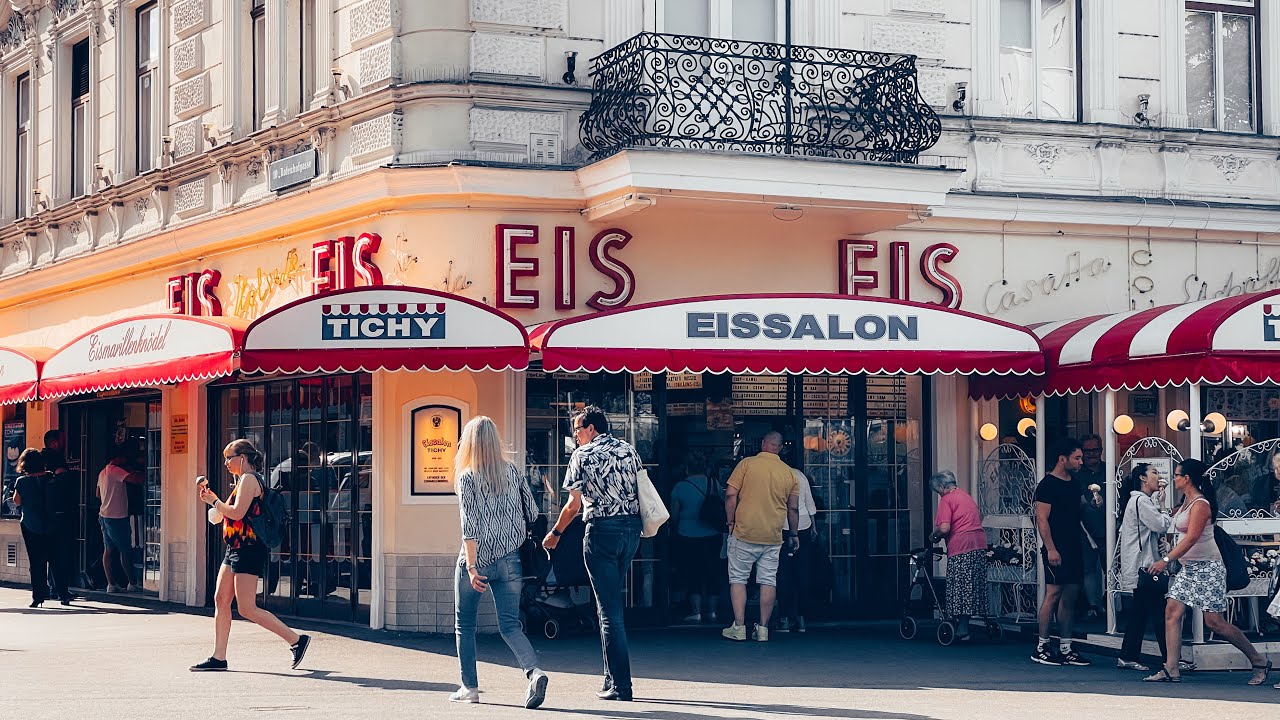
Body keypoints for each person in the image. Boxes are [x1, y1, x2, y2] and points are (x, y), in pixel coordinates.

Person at [542, 406, 642, 702]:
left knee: (609, 612)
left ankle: (621, 685)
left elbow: (573, 505)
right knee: (609, 605)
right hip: (631, 531)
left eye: (577, 429)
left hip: (601, 531)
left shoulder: (582, 456)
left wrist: (555, 533)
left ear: (591, 428)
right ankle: (611, 677)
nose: (575, 435)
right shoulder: (628, 450)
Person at [450, 417, 549, 709]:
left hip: (477, 560)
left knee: (464, 625)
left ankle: (469, 688)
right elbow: (532, 512)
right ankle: (534, 672)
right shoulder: (513, 471)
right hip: (510, 560)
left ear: (468, 443)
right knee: (509, 625)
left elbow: (470, 526)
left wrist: (470, 567)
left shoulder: (466, 477)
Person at [1144, 459, 1272, 685]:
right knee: (1172, 611)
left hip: (1208, 568)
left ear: (1187, 478)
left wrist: (1165, 559)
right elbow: (1175, 527)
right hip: (1190, 567)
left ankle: (1259, 660)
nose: (1173, 478)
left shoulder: (1200, 504)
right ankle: (1171, 668)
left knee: (1214, 622)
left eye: (1177, 475)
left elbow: (1192, 537)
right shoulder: (1186, 502)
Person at [191, 439, 310, 672]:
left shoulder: (249, 479)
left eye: (229, 457)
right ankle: (219, 657)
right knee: (221, 599)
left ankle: (296, 640)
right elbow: (226, 514)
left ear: (242, 458)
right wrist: (214, 504)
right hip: (235, 547)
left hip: (248, 548)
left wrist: (213, 500)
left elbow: (236, 513)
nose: (225, 462)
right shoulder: (241, 481)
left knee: (246, 608)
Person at [721, 432, 800, 643]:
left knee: (738, 578)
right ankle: (763, 628)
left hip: (744, 531)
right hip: (773, 534)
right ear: (780, 448)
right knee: (768, 580)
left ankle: (739, 627)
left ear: (763, 444)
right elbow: (793, 508)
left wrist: (730, 522)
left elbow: (730, 494)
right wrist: (793, 533)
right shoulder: (789, 473)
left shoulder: (747, 464)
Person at [1031, 437, 1090, 666]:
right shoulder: (1047, 485)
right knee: (1053, 593)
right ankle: (1042, 645)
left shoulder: (1074, 483)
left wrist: (1094, 503)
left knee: (1071, 595)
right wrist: (1051, 548)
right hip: (1056, 546)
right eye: (1076, 458)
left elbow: (1080, 507)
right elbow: (1042, 519)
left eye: (1081, 458)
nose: (1081, 462)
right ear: (1062, 459)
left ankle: (1066, 646)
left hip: (1074, 544)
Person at [1116, 463, 1173, 671]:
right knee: (1156, 614)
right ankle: (1168, 658)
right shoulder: (1140, 500)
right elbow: (1161, 524)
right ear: (1143, 478)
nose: (1159, 476)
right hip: (1145, 567)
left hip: (1143, 566)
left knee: (1146, 614)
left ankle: (1133, 656)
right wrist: (1165, 507)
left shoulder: (1141, 501)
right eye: (1154, 472)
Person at [667, 451, 724, 624]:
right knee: (713, 571)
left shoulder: (680, 487)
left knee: (693, 572)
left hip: (688, 535)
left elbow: (674, 515)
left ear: (686, 468)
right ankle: (712, 612)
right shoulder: (714, 483)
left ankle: (696, 612)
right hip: (713, 535)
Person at [929, 470, 986, 641]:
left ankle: (961, 627)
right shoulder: (965, 496)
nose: (938, 494)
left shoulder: (947, 499)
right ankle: (964, 626)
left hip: (961, 545)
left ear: (942, 486)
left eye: (937, 490)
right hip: (978, 543)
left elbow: (945, 527)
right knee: (971, 586)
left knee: (959, 587)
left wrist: (933, 536)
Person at [12, 449, 60, 608]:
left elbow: (17, 501)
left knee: (36, 561)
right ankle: (63, 592)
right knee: (55, 559)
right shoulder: (51, 478)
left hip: (30, 524)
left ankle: (38, 596)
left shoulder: (22, 481)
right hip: (51, 524)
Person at [777, 465, 817, 633]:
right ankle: (801, 619)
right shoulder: (799, 475)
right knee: (803, 573)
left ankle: (784, 619)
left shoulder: (774, 475)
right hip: (804, 525)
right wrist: (814, 526)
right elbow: (809, 503)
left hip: (781, 527)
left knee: (782, 574)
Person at [96, 448, 143, 593]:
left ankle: (111, 583)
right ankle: (132, 582)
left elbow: (97, 494)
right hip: (117, 516)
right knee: (125, 550)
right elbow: (136, 480)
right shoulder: (115, 470)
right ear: (118, 458)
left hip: (104, 515)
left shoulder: (102, 472)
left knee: (108, 550)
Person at [41, 434, 78, 605]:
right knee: (58, 554)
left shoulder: (42, 460)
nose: (65, 443)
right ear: (54, 442)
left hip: (49, 516)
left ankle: (54, 588)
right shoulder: (52, 461)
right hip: (58, 515)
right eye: (62, 440)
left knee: (52, 554)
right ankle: (57, 589)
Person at [1076, 434, 1107, 619]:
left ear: (1101, 451)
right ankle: (1092, 605)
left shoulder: (1111, 471)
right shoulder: (1077, 475)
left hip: (1109, 529)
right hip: (1084, 530)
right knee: (1088, 568)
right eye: (1086, 451)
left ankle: (1110, 604)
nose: (1090, 454)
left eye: (1094, 450)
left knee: (1109, 568)